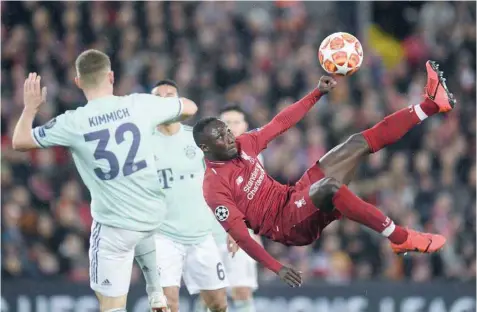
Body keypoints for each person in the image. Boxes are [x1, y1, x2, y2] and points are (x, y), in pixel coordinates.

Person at [192, 61, 454, 287]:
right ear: (205, 148)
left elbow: (281, 123)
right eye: (220, 137)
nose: (228, 138)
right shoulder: (213, 187)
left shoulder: (243, 144)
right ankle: (401, 238)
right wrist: (277, 267)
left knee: (355, 144)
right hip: (288, 226)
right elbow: (240, 235)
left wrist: (316, 93)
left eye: (227, 131)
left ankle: (431, 105)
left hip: (294, 195)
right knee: (329, 187)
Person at [12, 49, 198, 312]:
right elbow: (190, 107)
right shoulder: (140, 104)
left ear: (78, 82)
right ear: (111, 76)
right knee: (144, 226)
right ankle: (155, 290)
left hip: (115, 229)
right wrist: (164, 116)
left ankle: (151, 292)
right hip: (154, 217)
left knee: (110, 306)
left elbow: (20, 141)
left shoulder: (72, 122)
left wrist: (30, 108)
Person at [133, 79, 229, 312]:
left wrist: (234, 225)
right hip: (163, 236)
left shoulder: (197, 140)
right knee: (168, 304)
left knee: (218, 304)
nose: (165, 99)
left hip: (200, 235)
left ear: (179, 102)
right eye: (158, 96)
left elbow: (221, 183)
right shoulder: (141, 144)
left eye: (170, 95)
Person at [209, 106, 263, 312]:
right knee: (210, 295)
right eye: (225, 123)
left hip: (242, 235)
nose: (230, 127)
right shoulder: (202, 154)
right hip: (209, 235)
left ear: (245, 126)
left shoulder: (254, 156)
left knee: (242, 290)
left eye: (235, 122)